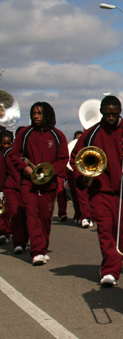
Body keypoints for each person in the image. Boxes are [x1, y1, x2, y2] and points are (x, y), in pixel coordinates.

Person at [71, 96, 123, 287]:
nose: (111, 117)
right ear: (101, 112)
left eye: (114, 114)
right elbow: (76, 159)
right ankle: (110, 271)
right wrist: (83, 177)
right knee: (105, 230)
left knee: (121, 232)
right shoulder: (90, 134)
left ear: (120, 111)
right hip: (100, 191)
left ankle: (113, 262)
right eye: (107, 114)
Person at [10, 102, 69, 265]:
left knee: (45, 218)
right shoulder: (24, 133)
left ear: (47, 115)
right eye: (34, 113)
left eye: (39, 113)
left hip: (48, 183)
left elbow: (63, 158)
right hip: (28, 183)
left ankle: (42, 247)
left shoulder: (58, 135)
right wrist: (27, 169)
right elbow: (14, 155)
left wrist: (50, 172)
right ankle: (37, 251)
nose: (35, 116)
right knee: (32, 215)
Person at [3, 129, 28, 254]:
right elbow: (2, 172)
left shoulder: (28, 152)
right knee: (15, 214)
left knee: (27, 215)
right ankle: (18, 242)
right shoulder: (7, 153)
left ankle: (24, 240)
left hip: (27, 188)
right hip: (11, 188)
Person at [0, 130, 14, 243]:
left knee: (7, 211)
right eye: (4, 143)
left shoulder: (12, 155)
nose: (6, 146)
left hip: (7, 186)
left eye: (9, 143)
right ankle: (2, 233)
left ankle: (8, 233)